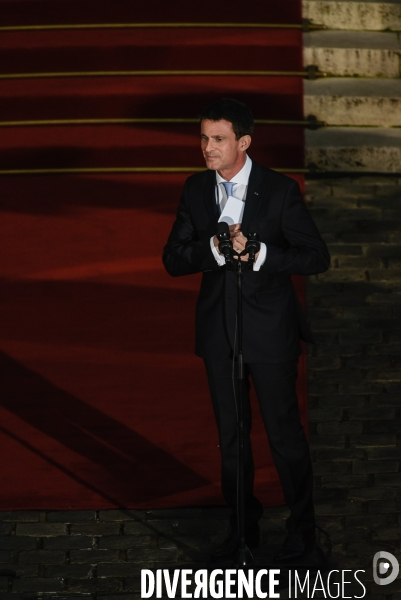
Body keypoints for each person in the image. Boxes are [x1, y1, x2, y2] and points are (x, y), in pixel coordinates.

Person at [162, 98, 330, 562]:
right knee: (232, 437)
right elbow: (173, 259)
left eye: (218, 139)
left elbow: (316, 257)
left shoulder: (279, 190)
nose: (207, 148)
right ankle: (242, 529)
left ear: (244, 142)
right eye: (203, 138)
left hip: (271, 333)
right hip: (219, 334)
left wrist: (261, 256)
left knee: (283, 436)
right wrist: (213, 252)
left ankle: (302, 529)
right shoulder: (196, 189)